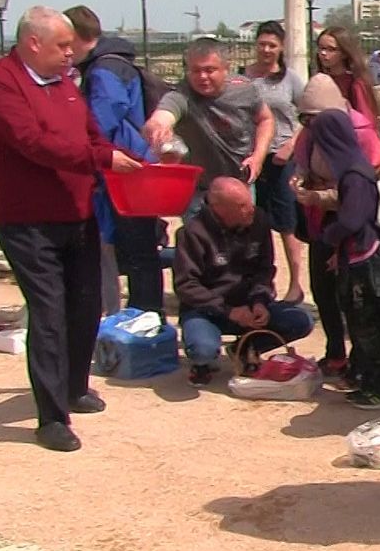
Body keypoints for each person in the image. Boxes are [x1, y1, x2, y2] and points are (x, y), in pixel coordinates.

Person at [0, 6, 144, 452]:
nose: (71, 53)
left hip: (75, 209)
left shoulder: (65, 83)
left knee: (85, 303)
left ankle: (74, 385)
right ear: (33, 43)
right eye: (62, 46)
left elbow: (90, 135)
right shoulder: (0, 84)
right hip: (24, 217)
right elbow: (32, 143)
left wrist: (117, 157)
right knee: (48, 310)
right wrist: (102, 160)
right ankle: (51, 417)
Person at [64, 5, 164, 316]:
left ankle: (143, 316)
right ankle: (144, 314)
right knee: (139, 250)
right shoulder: (115, 63)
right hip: (131, 165)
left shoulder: (104, 69)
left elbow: (101, 120)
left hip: (124, 169)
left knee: (137, 252)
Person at [173, 177, 314, 385]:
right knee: (202, 349)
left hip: (248, 305)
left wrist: (260, 300)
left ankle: (246, 348)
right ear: (219, 209)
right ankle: (201, 363)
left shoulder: (258, 221)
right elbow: (186, 285)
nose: (250, 209)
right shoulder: (193, 233)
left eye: (249, 202)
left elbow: (264, 269)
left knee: (301, 321)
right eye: (241, 206)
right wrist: (228, 311)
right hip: (207, 309)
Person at [305, 105, 380, 410]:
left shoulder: (355, 175)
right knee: (358, 323)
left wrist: (328, 238)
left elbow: (353, 220)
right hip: (354, 255)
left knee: (368, 323)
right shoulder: (349, 170)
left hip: (366, 262)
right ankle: (366, 378)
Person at [142, 38, 273, 219]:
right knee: (200, 244)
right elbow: (161, 117)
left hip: (239, 184)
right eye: (196, 70)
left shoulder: (244, 90)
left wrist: (258, 157)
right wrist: (157, 129)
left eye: (209, 70)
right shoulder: (181, 95)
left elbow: (266, 119)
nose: (202, 77)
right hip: (199, 191)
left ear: (226, 68)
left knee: (243, 242)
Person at [288, 73, 356, 386]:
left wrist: (318, 195)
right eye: (307, 119)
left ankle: (362, 360)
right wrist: (302, 181)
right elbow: (304, 164)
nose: (313, 126)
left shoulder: (361, 136)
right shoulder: (309, 136)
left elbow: (359, 192)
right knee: (323, 290)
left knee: (352, 297)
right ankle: (335, 353)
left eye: (318, 119)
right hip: (321, 221)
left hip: (353, 226)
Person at [244, 20, 308, 305]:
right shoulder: (243, 78)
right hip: (252, 156)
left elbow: (307, 116)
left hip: (283, 157)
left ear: (281, 47)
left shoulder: (291, 79)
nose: (266, 50)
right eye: (262, 44)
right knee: (253, 221)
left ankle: (295, 284)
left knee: (286, 223)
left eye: (272, 45)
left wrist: (290, 145)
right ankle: (260, 283)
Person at [316, 26, 380, 136]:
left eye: (331, 49)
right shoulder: (319, 81)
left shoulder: (356, 83)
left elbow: (366, 123)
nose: (323, 53)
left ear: (344, 53)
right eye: (321, 48)